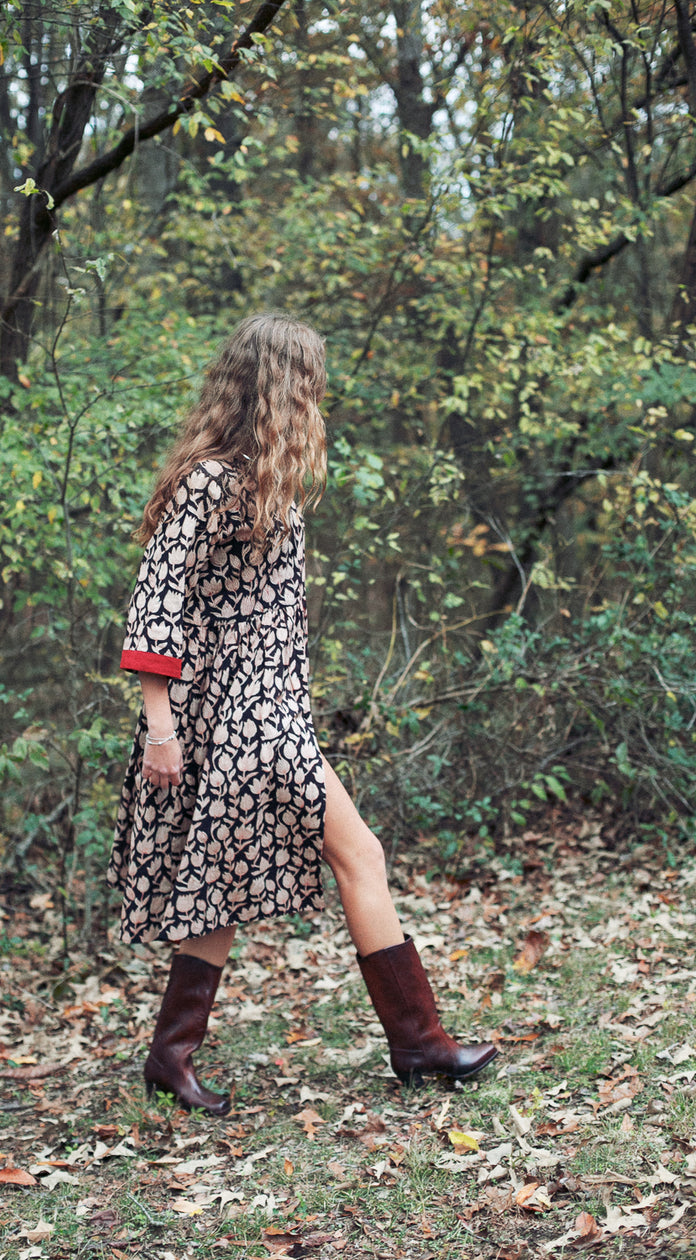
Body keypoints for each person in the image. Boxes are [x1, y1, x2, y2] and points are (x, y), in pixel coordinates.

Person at [107, 313, 497, 1116]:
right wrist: (160, 729)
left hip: (270, 716)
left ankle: (169, 1056)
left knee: (226, 884)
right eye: (310, 381)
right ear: (279, 386)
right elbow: (155, 603)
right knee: (361, 853)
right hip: (239, 724)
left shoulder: (266, 485)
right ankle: (419, 1042)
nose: (320, 395)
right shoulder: (212, 482)